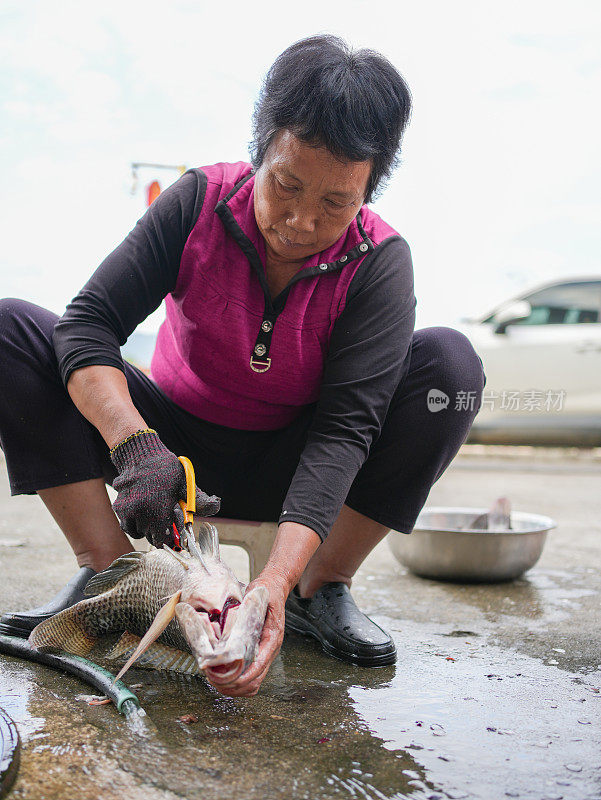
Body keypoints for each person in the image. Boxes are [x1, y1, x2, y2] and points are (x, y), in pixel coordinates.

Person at [0, 35, 485, 696]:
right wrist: (136, 446)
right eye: (285, 184)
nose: (299, 218)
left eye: (335, 203)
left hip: (296, 465)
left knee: (448, 369)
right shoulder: (197, 202)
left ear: (369, 187)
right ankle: (113, 577)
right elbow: (90, 324)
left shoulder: (380, 264)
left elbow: (345, 430)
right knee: (13, 329)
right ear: (261, 149)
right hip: (173, 454)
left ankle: (321, 589)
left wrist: (277, 582)